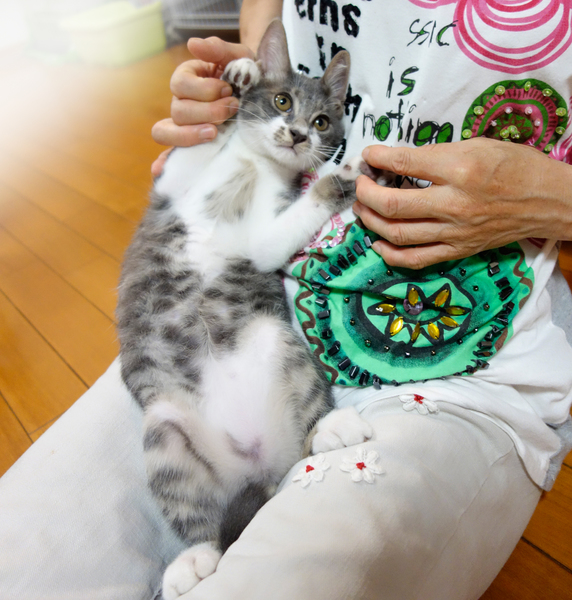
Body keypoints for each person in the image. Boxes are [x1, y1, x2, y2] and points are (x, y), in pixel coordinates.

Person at [0, 1, 570, 599]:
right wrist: (238, 80)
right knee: (21, 568)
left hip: (458, 354)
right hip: (224, 321)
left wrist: (552, 195)